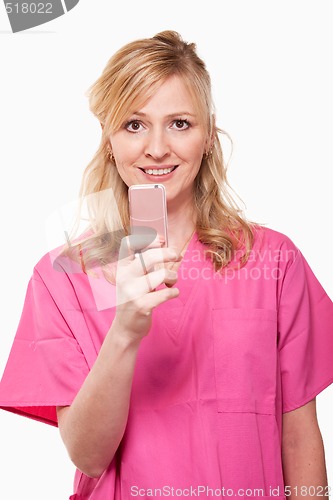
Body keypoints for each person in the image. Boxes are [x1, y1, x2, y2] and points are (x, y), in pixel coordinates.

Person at [0, 30, 332, 500]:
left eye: (179, 123)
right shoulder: (65, 277)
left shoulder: (273, 261)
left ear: (209, 136)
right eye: (134, 124)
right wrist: (125, 330)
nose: (157, 148)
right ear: (109, 140)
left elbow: (300, 436)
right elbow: (87, 455)